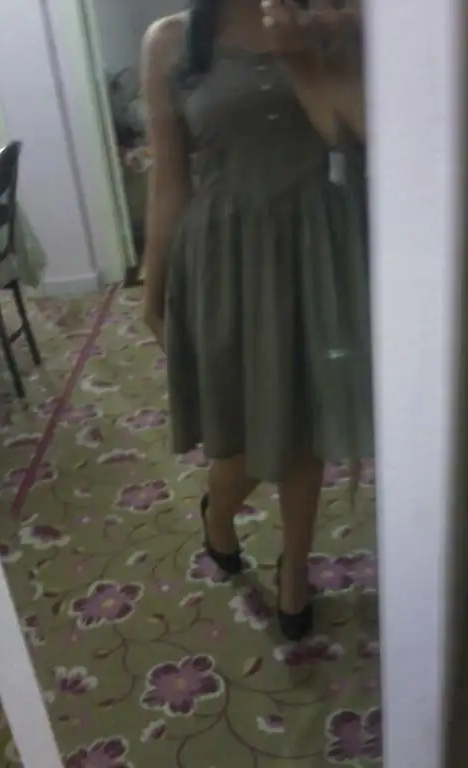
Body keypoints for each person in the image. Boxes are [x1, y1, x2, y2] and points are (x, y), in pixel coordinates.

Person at [141, 0, 371, 642]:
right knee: (242, 422)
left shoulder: (336, 21)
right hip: (225, 255)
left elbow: (360, 138)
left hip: (319, 248)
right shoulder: (172, 40)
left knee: (307, 417)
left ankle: (295, 564)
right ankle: (219, 515)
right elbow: (168, 179)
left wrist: (311, 51)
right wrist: (152, 286)